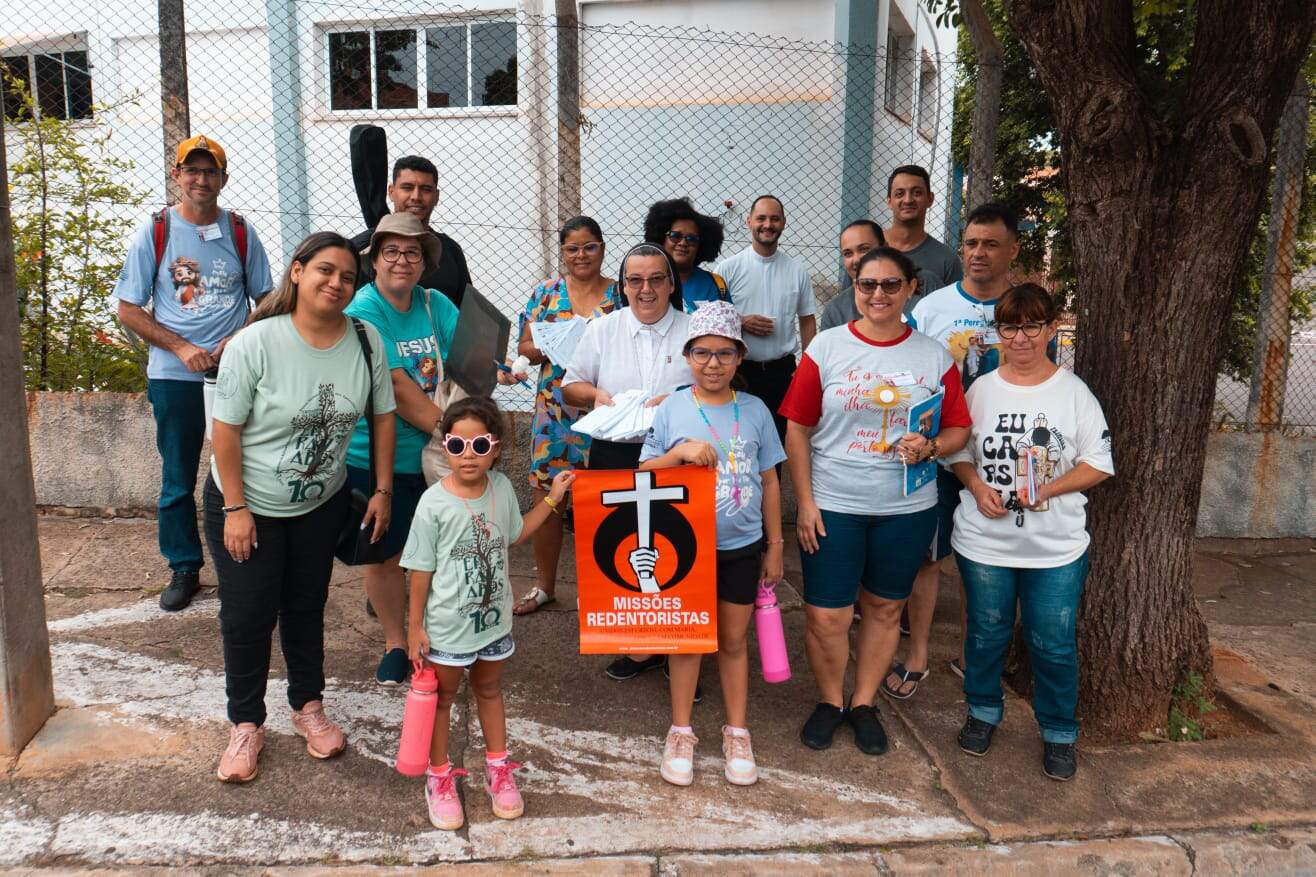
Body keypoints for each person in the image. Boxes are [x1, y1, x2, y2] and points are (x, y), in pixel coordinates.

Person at [205, 232, 396, 783]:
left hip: (320, 503)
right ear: (296, 272)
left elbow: (383, 414)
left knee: (305, 606)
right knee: (247, 616)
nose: (336, 283)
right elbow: (225, 431)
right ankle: (245, 724)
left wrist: (382, 489)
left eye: (347, 277)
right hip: (248, 503)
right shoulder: (257, 343)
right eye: (325, 271)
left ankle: (308, 706)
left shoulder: (365, 340)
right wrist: (237, 509)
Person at [779, 247, 970, 755]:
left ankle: (862, 703)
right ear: (855, 289)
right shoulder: (827, 347)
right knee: (827, 616)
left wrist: (931, 446)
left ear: (911, 288)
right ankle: (828, 701)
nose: (878, 295)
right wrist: (806, 502)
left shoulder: (932, 355)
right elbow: (797, 429)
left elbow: (957, 429)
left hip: (906, 510)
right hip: (834, 504)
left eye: (890, 285)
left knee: (886, 609)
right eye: (867, 285)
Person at [945, 284, 1113, 781]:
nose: (1020, 338)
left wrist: (1051, 489)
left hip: (1054, 547)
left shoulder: (1072, 392)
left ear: (1051, 328)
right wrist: (976, 486)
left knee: (1052, 642)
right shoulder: (981, 389)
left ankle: (1059, 732)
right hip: (985, 542)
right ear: (998, 331)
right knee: (986, 632)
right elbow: (959, 452)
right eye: (1010, 327)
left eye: (1032, 326)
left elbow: (1100, 464)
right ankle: (982, 711)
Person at [115, 135, 274, 612]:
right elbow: (128, 308)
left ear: (224, 179)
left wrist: (238, 340)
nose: (201, 180)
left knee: (247, 466)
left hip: (234, 373)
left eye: (211, 171)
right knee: (178, 476)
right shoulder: (157, 231)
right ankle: (184, 567)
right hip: (175, 376)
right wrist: (182, 347)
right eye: (192, 171)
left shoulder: (241, 232)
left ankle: (248, 557)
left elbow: (267, 298)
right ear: (176, 175)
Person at [403, 397, 575, 829]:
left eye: (479, 446)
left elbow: (516, 533)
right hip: (445, 630)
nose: (468, 456)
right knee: (441, 701)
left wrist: (553, 499)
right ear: (444, 447)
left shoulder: (500, 487)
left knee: (491, 692)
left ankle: (498, 769)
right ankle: (439, 776)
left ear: (496, 448)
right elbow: (420, 570)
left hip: (494, 624)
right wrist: (414, 625)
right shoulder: (432, 504)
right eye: (457, 446)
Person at [639, 301, 786, 786]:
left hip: (742, 544)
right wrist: (679, 452)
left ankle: (737, 731)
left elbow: (769, 480)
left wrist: (776, 544)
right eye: (702, 353)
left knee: (733, 640)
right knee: (687, 640)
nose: (713, 363)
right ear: (688, 355)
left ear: (740, 357)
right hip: (685, 547)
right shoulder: (674, 407)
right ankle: (681, 730)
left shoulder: (757, 410)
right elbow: (643, 472)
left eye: (725, 353)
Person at [885, 201, 1022, 699]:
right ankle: (917, 654)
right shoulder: (933, 308)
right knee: (928, 556)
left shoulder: (1024, 309)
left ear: (1012, 249)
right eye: (970, 243)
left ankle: (974, 655)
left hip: (1000, 455)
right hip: (940, 453)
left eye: (990, 244)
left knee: (984, 558)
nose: (978, 253)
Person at [561, 243, 693, 683]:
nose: (646, 289)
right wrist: (596, 396)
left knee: (677, 548)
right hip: (615, 451)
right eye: (635, 280)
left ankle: (682, 654)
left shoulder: (694, 331)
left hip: (676, 455)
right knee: (620, 546)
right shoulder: (603, 329)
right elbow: (571, 386)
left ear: (672, 284)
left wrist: (678, 400)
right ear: (622, 286)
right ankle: (639, 648)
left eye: (657, 278)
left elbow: (720, 387)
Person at [341, 212, 459, 685]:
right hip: (377, 455)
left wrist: (494, 371)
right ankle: (395, 640)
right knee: (383, 553)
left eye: (412, 252)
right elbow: (394, 385)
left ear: (425, 261)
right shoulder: (363, 309)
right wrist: (456, 439)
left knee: (438, 552)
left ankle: (430, 631)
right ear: (374, 261)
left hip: (435, 455)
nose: (401, 261)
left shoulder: (435, 304)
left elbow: (469, 355)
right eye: (390, 251)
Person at [511, 216, 622, 616]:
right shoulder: (546, 292)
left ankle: (598, 589)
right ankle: (544, 586)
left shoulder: (620, 294)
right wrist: (547, 348)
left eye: (589, 246)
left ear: (602, 248)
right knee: (549, 496)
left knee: (601, 499)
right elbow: (524, 343)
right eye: (572, 248)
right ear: (562, 252)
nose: (580, 255)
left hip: (605, 410)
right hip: (553, 412)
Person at [717, 194, 816, 444]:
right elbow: (713, 320)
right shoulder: (728, 269)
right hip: (739, 371)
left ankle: (771, 484)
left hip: (781, 372)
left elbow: (807, 320)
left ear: (784, 223)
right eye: (761, 218)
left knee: (776, 442)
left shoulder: (797, 271)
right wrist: (740, 321)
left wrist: (807, 367)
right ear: (749, 222)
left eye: (775, 219)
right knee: (735, 441)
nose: (768, 225)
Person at [351, 156, 473, 308]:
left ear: (436, 196)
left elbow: (467, 312)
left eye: (426, 189)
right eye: (407, 188)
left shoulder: (450, 250)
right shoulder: (363, 248)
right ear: (391, 191)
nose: (416, 197)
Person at [883, 164, 963, 300]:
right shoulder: (867, 248)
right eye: (899, 193)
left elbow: (952, 314)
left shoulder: (947, 260)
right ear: (889, 202)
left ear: (930, 199)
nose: (908, 200)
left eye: (917, 193)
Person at [643, 197, 728, 313]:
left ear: (700, 245)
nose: (683, 243)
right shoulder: (643, 281)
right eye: (675, 236)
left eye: (691, 239)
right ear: (662, 239)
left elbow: (727, 324)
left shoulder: (716, 284)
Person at [818, 219, 886, 331]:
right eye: (848, 253)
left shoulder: (915, 294)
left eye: (864, 249)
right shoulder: (836, 310)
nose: (856, 259)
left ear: (885, 248)